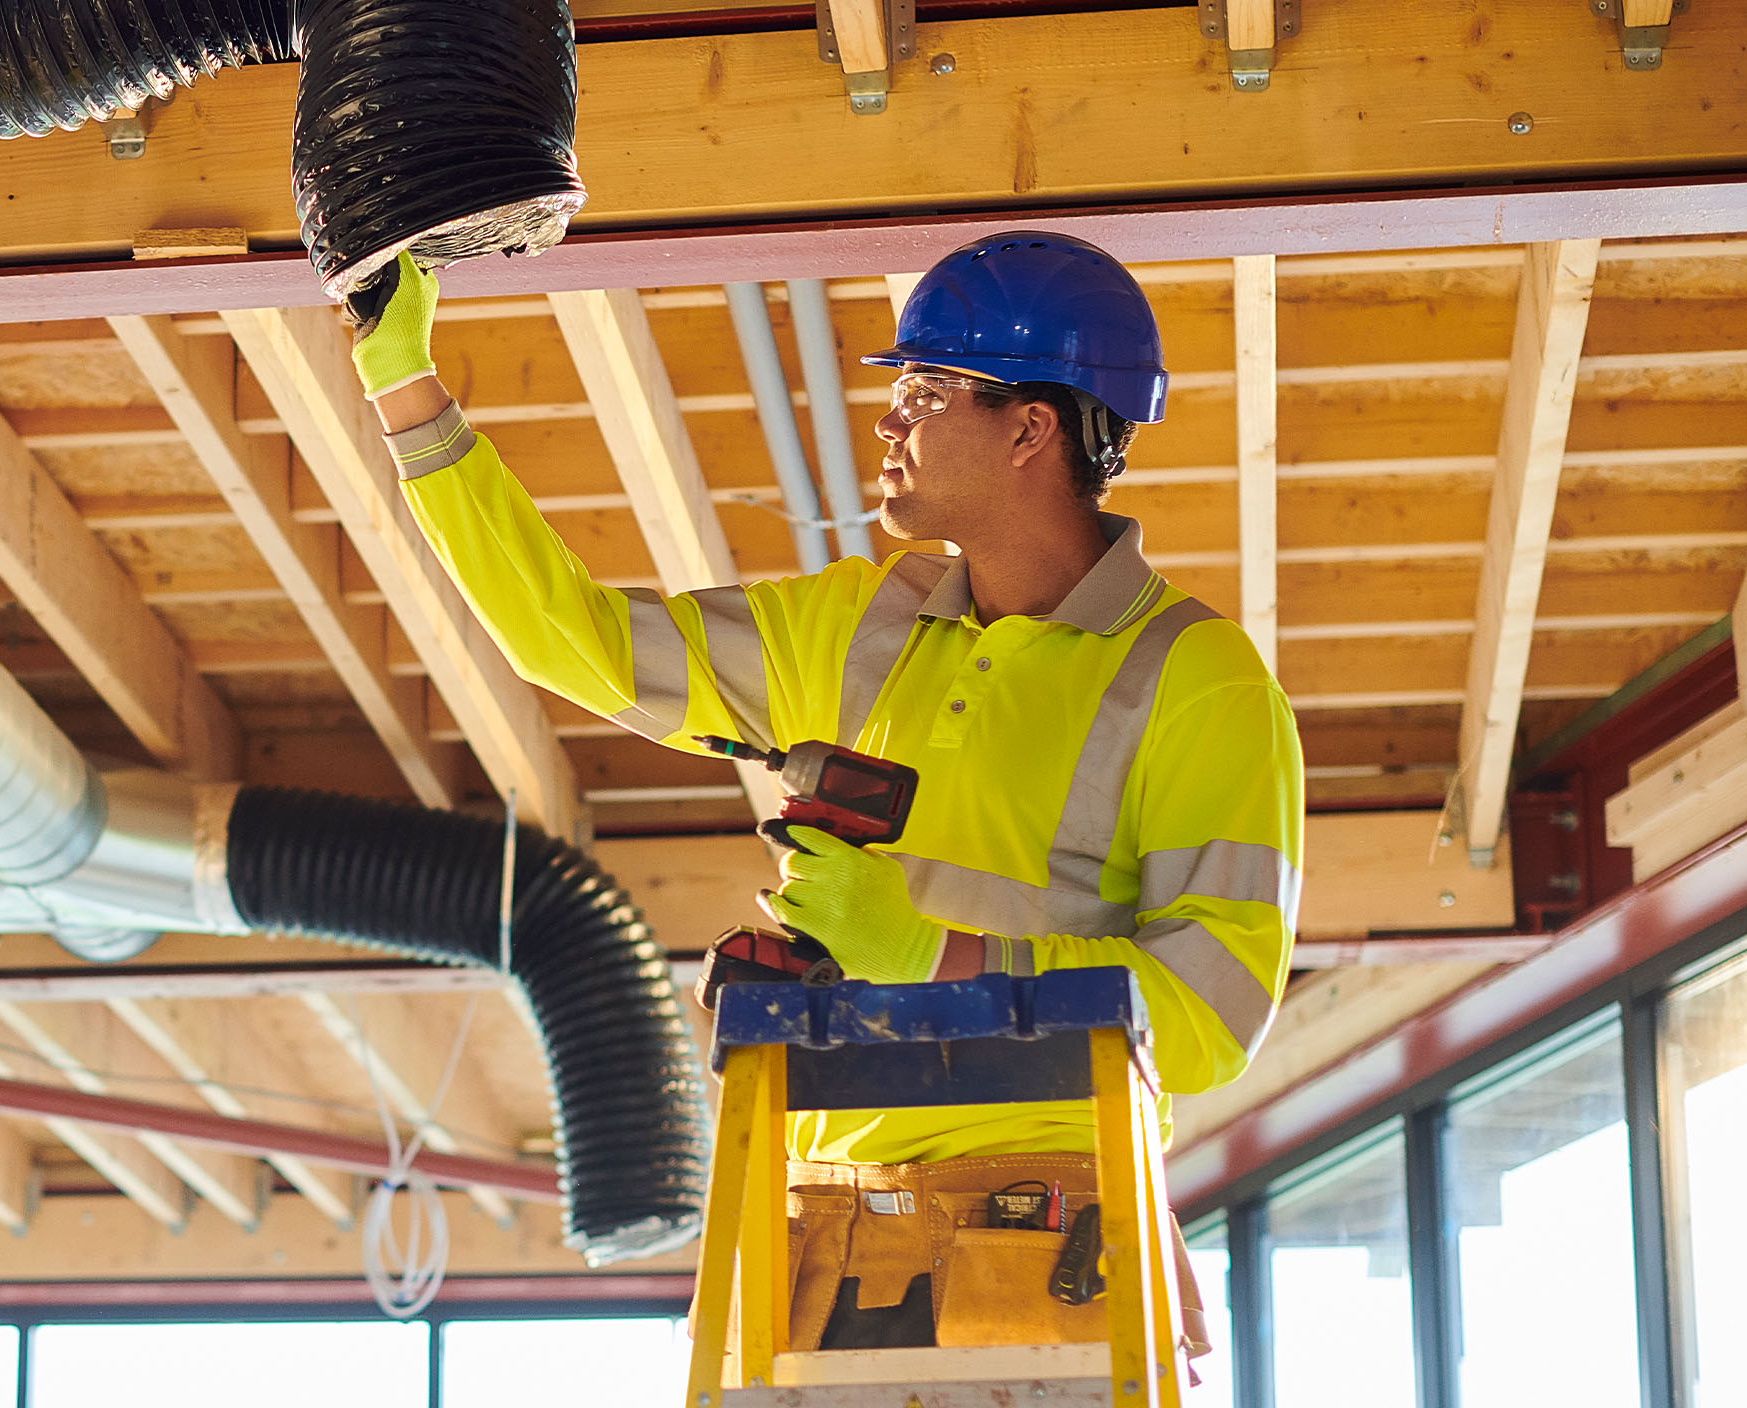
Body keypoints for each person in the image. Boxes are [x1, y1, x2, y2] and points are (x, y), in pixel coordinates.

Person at [349, 231, 1302, 1356]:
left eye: (922, 392)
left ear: (1030, 428)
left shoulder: (1197, 683)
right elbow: (581, 645)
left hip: (1050, 1236)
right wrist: (406, 389)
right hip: (818, 1221)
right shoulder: (861, 628)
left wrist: (934, 961)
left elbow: (1211, 1018)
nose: (888, 423)